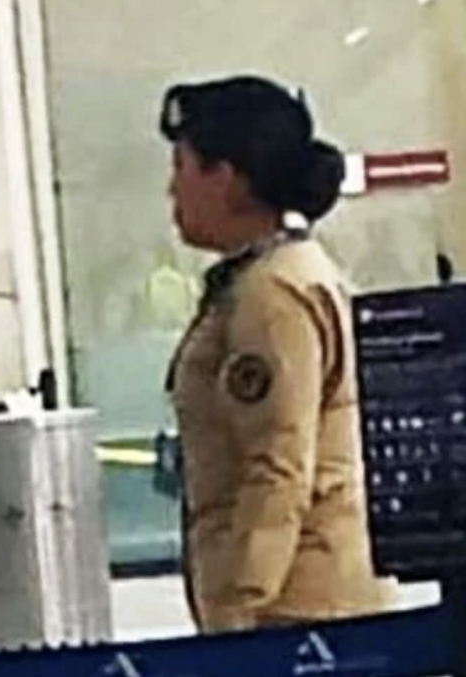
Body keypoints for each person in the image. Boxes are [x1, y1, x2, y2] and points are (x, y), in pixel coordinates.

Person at [159, 75, 397, 633]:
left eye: (181, 167)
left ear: (225, 178)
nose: (172, 191)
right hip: (305, 602)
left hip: (296, 612)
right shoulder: (275, 275)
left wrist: (240, 606)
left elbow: (278, 464)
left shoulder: (271, 296)